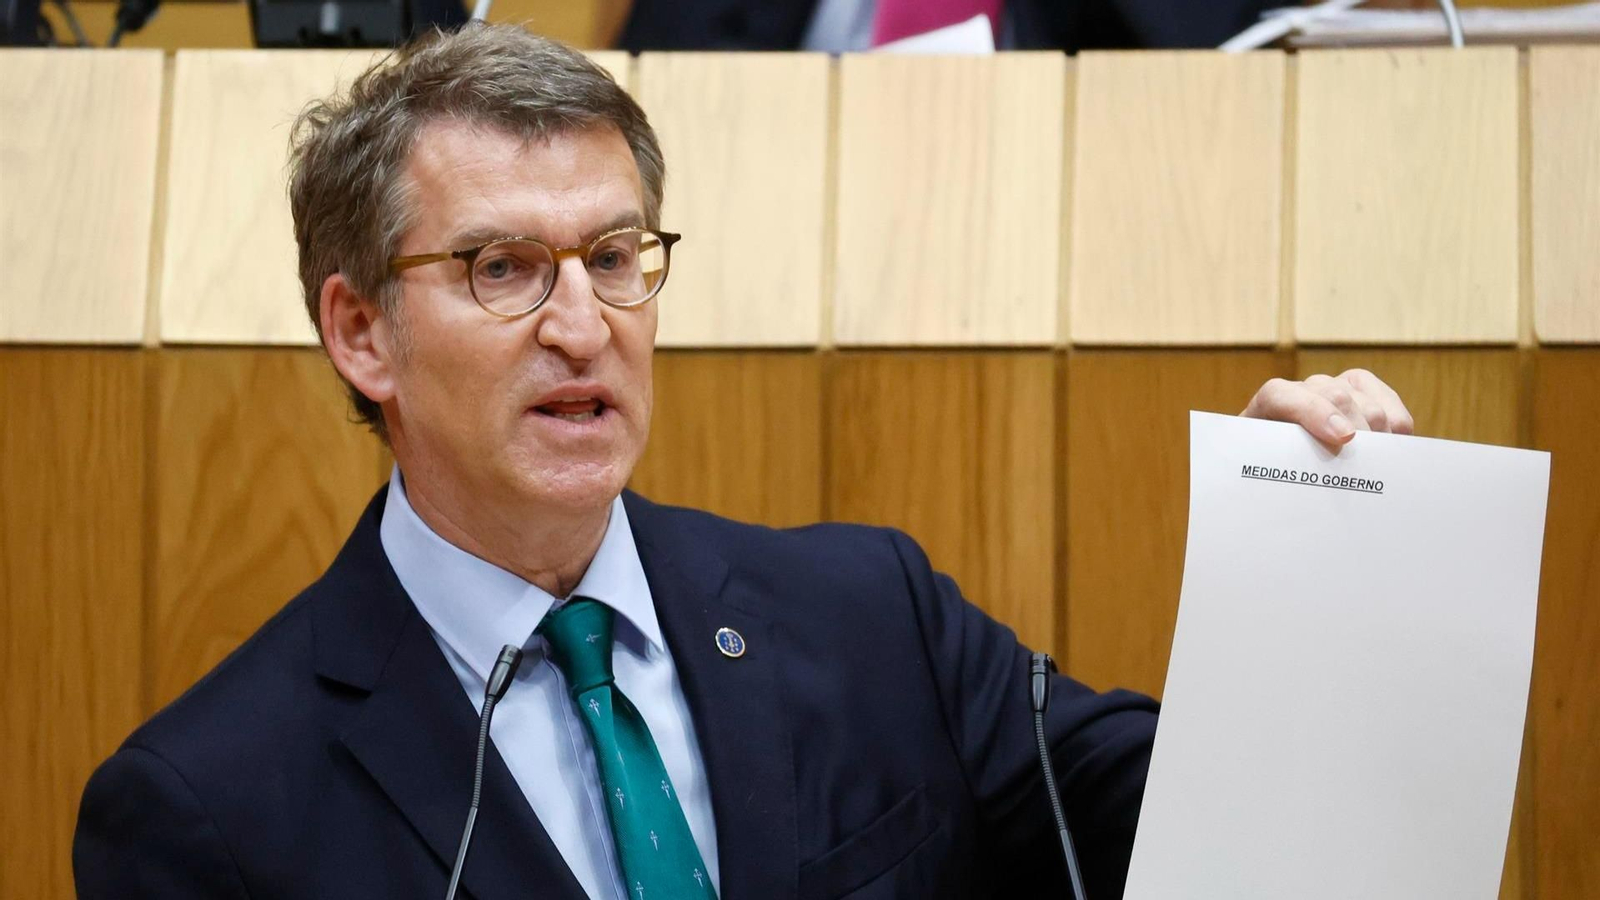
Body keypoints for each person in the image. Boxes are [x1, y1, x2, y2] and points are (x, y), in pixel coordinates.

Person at [73, 24, 1414, 900]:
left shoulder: (872, 619)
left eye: (612, 257)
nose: (585, 325)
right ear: (360, 331)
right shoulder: (207, 809)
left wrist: (1303, 535)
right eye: (503, 270)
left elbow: (1221, 848)